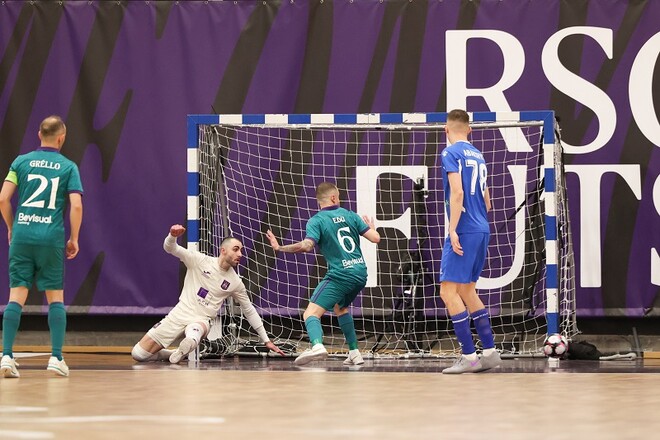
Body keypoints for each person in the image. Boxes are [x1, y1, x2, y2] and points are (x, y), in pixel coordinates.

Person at [0, 115, 84, 378]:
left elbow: (3, 198)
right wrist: (74, 238)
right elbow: (77, 205)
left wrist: (12, 227)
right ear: (62, 137)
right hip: (50, 239)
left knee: (16, 296)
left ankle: (6, 356)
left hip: (23, 236)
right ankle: (56, 358)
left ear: (39, 135)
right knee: (55, 297)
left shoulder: (20, 162)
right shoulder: (68, 166)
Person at [132, 224, 285, 363]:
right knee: (138, 354)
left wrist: (266, 340)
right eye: (236, 249)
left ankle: (187, 344)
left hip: (202, 320)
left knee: (194, 330)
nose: (240, 254)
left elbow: (249, 310)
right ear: (223, 250)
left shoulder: (235, 282)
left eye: (241, 250)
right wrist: (172, 236)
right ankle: (171, 353)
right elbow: (170, 248)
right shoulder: (200, 261)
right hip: (179, 313)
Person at [266, 182, 380, 366]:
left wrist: (280, 248)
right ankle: (355, 353)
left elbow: (306, 246)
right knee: (340, 308)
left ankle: (317, 346)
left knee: (310, 313)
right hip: (360, 274)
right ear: (334, 198)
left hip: (340, 274)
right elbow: (376, 238)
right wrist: (372, 227)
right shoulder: (350, 215)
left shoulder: (317, 220)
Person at [438, 109, 501, 374]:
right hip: (481, 228)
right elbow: (487, 199)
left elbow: (458, 191)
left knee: (448, 292)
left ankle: (469, 357)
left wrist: (453, 230)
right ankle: (489, 352)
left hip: (463, 229)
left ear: (446, 130)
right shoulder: (479, 155)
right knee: (467, 291)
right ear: (470, 130)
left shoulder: (449, 153)